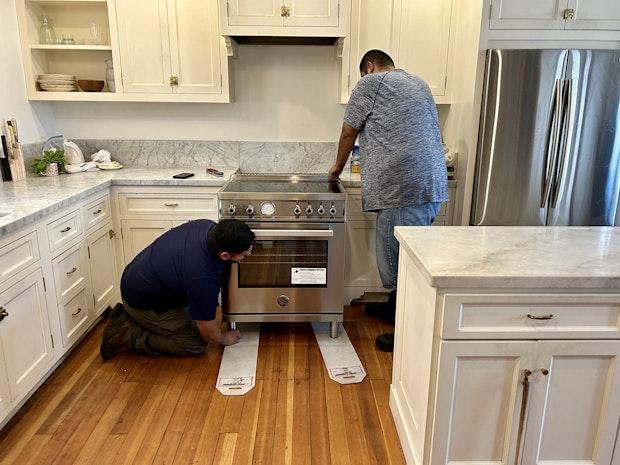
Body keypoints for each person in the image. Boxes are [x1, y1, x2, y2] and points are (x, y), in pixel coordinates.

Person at [329, 49, 448, 352]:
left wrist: (336, 167)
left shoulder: (372, 83)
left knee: (401, 263)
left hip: (403, 187)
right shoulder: (418, 83)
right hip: (428, 185)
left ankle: (408, 333)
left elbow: (348, 132)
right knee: (408, 256)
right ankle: (394, 308)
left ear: (369, 67)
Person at [100, 219, 255, 359]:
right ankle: (125, 332)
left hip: (144, 278)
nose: (248, 254)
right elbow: (208, 332)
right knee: (195, 343)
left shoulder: (207, 226)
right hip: (143, 302)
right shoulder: (202, 277)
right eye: (243, 255)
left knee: (199, 321)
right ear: (225, 255)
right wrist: (223, 338)